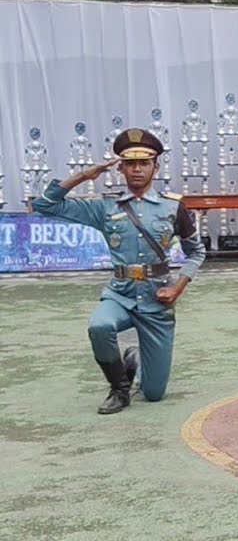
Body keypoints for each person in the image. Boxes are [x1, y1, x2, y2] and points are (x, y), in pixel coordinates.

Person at [32, 128, 206, 414]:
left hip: (157, 301)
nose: (137, 169)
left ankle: (133, 360)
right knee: (99, 326)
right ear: (121, 168)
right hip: (120, 295)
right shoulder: (106, 207)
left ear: (155, 168)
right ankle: (119, 389)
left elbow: (196, 252)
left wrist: (178, 288)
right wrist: (85, 175)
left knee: (154, 393)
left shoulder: (173, 207)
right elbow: (44, 205)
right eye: (130, 163)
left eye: (144, 163)